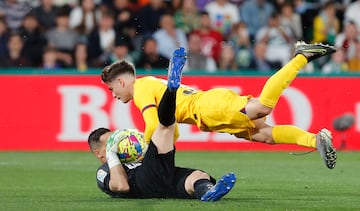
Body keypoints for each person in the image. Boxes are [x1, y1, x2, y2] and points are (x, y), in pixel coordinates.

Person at [100, 42, 337, 169]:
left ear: (121, 81)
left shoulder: (140, 89)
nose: (113, 95)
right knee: (264, 134)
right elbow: (171, 129)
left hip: (207, 107)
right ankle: (315, 140)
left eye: (112, 89)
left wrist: (145, 154)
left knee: (262, 107)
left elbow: (153, 124)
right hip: (207, 112)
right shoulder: (149, 83)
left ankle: (301, 57)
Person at [88, 50, 236, 200]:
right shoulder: (104, 171)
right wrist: (112, 156)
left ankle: (207, 192)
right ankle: (171, 90)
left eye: (115, 139)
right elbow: (122, 186)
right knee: (163, 126)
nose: (117, 144)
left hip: (163, 177)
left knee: (197, 176)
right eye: (110, 143)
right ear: (99, 153)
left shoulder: (131, 156)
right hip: (143, 181)